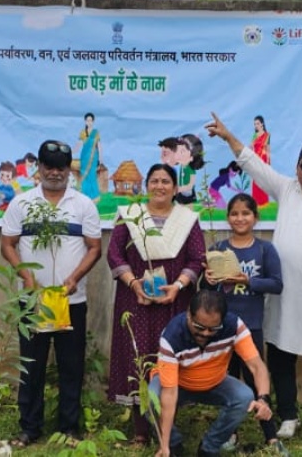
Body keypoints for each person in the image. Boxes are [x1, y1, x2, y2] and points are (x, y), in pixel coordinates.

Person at [206, 113, 302, 445]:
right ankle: (289, 415)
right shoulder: (286, 189)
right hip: (281, 295)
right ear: (298, 168)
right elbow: (253, 164)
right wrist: (229, 136)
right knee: (282, 357)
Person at [0, 140, 103, 446]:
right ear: (39, 168)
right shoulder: (22, 203)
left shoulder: (84, 205)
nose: (55, 173)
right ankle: (29, 427)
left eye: (61, 167)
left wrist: (73, 279)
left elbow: (95, 248)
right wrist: (26, 277)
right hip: (33, 300)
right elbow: (7, 244)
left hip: (71, 300)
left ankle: (69, 428)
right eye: (49, 166)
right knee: (31, 366)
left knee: (71, 366)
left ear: (68, 171)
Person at [106, 163, 206, 446]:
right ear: (146, 185)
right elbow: (114, 255)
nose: (159, 186)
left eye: (166, 181)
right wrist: (134, 283)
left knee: (167, 359)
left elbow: (197, 259)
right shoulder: (130, 216)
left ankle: (167, 426)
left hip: (175, 301)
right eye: (154, 181)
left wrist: (178, 286)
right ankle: (140, 429)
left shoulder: (187, 219)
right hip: (135, 300)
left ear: (175, 188)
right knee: (138, 358)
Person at [150, 291, 274, 457]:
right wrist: (164, 445)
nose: (206, 333)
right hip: (177, 385)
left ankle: (209, 447)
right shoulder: (172, 336)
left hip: (215, 382)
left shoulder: (234, 326)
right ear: (188, 315)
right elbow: (169, 392)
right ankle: (173, 446)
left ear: (223, 320)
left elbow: (257, 366)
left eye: (213, 329)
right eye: (199, 327)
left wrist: (263, 399)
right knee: (151, 397)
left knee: (244, 397)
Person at [203, 193, 282, 445]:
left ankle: (270, 436)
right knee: (226, 380)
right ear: (227, 218)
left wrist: (249, 281)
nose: (240, 218)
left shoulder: (264, 249)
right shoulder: (218, 249)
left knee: (257, 379)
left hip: (251, 325)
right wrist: (208, 279)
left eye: (246, 213)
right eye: (235, 213)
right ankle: (230, 434)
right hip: (223, 326)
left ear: (255, 217)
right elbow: (205, 291)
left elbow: (277, 284)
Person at [159, 134, 206, 205]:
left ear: (192, 157)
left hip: (188, 194)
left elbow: (190, 184)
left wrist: (181, 188)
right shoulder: (182, 167)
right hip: (181, 193)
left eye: (182, 152)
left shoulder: (190, 169)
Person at [78, 113, 102, 199]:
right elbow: (80, 144)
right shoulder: (83, 132)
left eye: (91, 120)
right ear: (85, 121)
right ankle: (84, 194)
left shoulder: (96, 133)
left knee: (92, 175)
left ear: (93, 121)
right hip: (84, 157)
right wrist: (72, 151)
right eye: (87, 120)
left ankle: (94, 195)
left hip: (93, 157)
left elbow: (99, 146)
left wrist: (100, 159)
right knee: (84, 174)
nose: (89, 122)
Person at [250, 116, 271, 206]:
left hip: (263, 158)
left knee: (263, 179)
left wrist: (269, 163)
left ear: (262, 124)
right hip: (255, 158)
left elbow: (268, 150)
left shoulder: (267, 135)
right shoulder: (254, 135)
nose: (256, 125)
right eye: (255, 124)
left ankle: (264, 201)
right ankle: (256, 200)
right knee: (255, 179)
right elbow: (251, 147)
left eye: (258, 123)